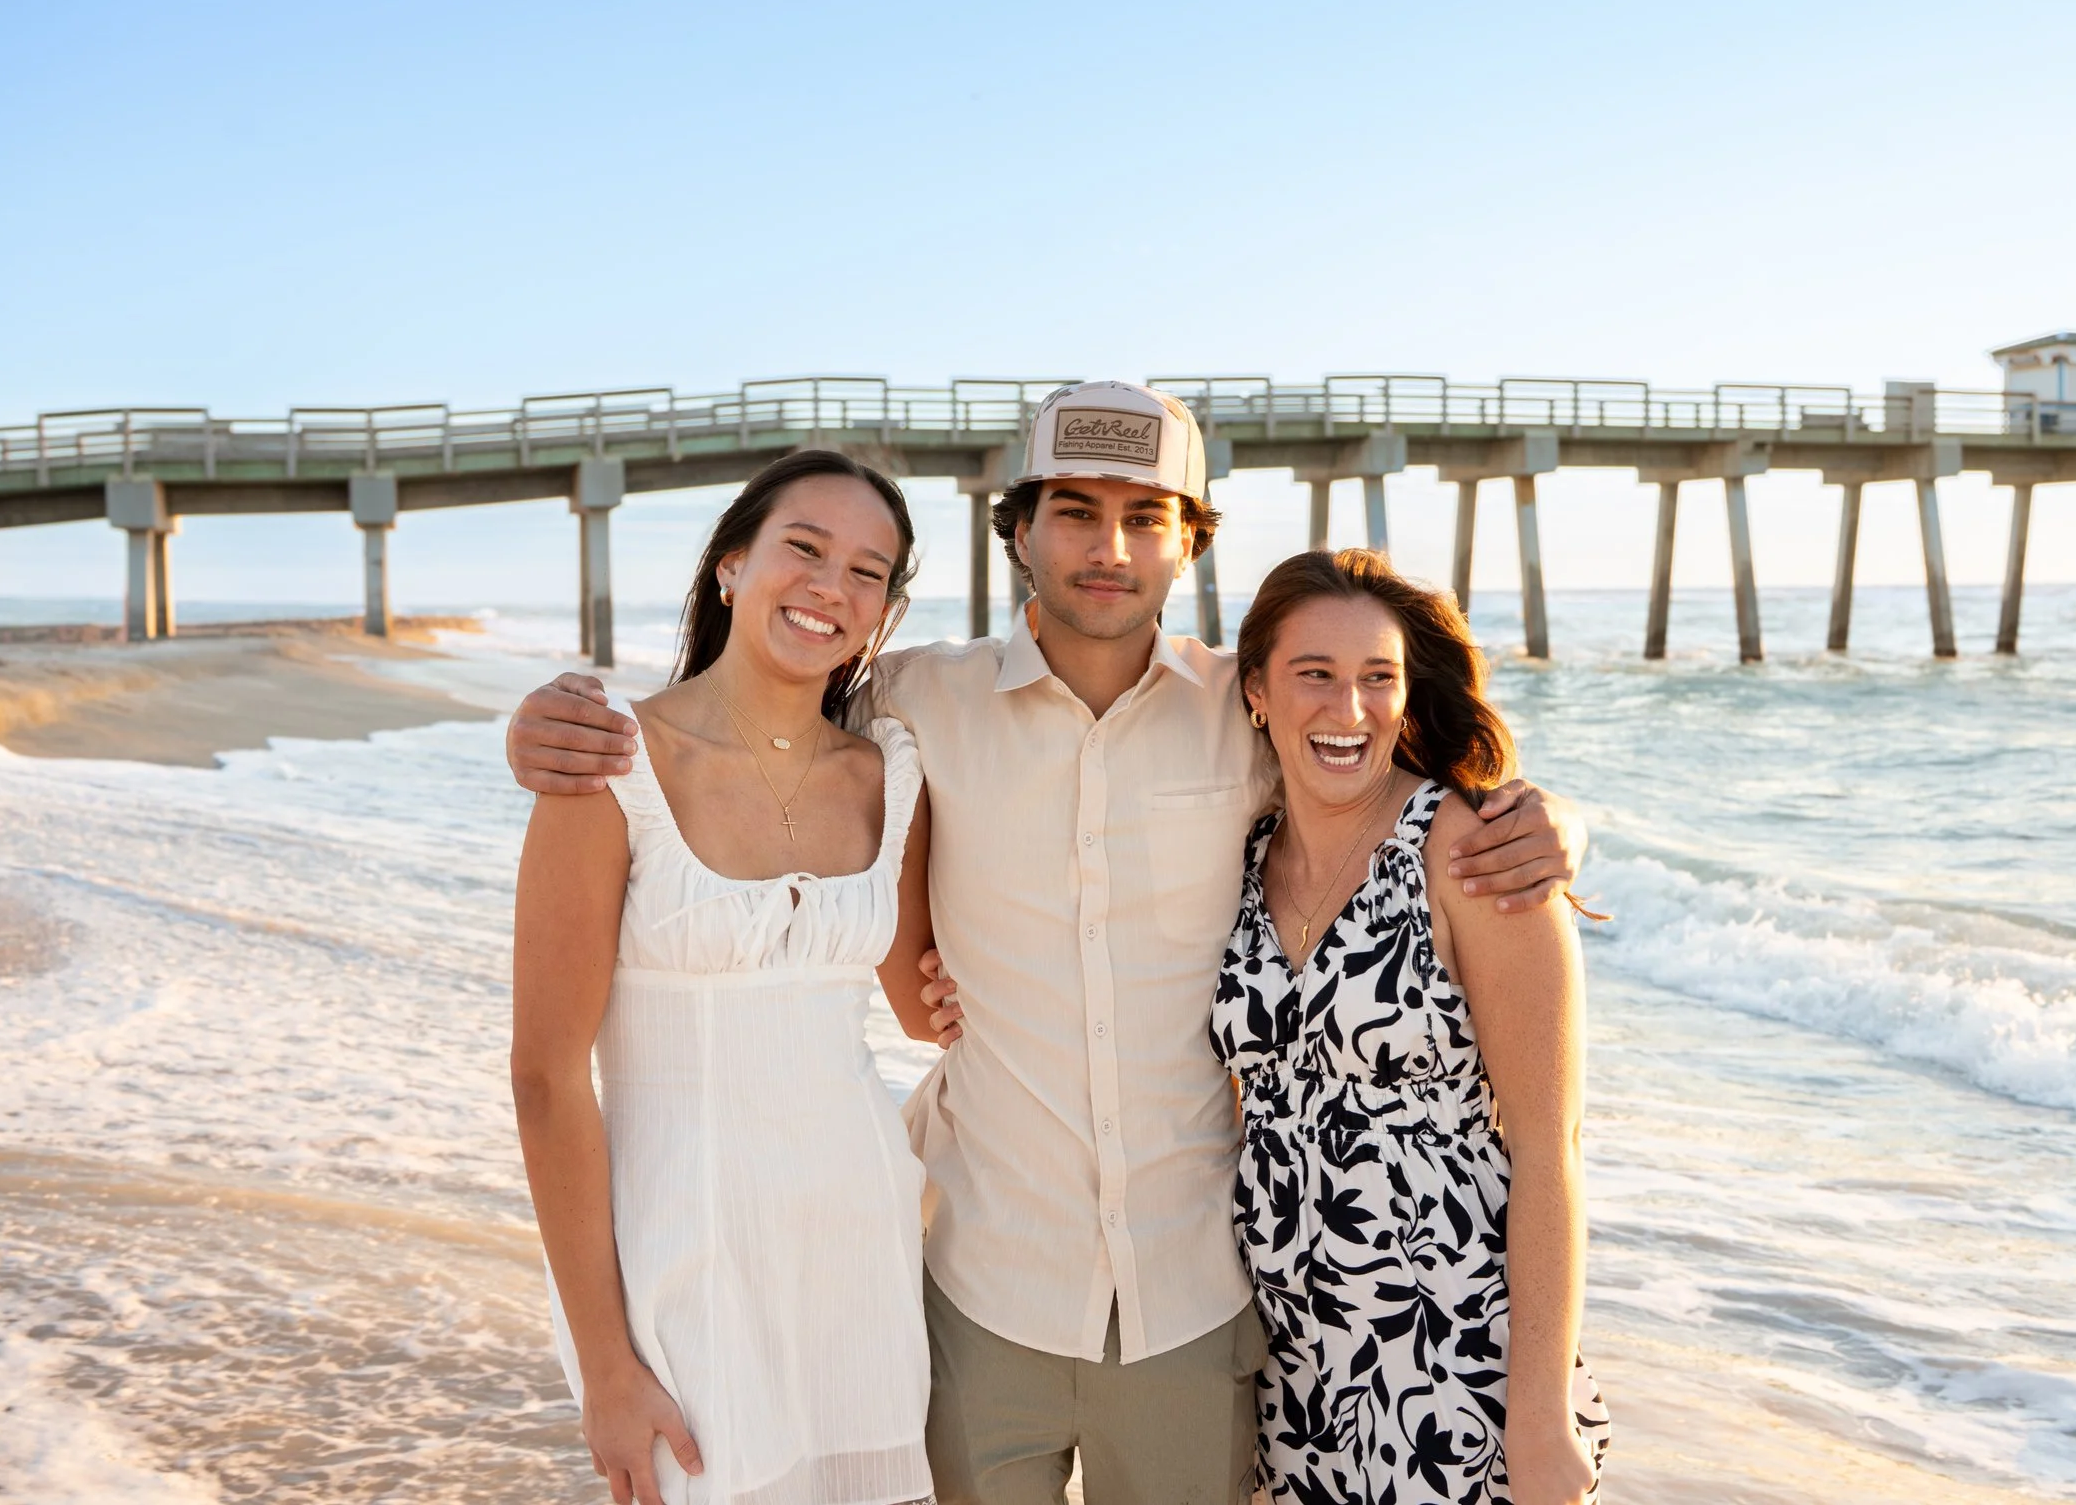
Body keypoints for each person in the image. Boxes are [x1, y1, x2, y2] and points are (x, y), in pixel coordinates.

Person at [507, 383, 1591, 1505]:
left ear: (1189, 545)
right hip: (978, 1294)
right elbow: (758, 732)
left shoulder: (1256, 707)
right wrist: (542, 728)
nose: (1109, 547)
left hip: (1193, 1303)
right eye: (1074, 510)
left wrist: (1553, 820)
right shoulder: (915, 703)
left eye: (1147, 517)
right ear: (1019, 530)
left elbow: (1398, 778)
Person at [510, 450, 940, 1505]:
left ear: (884, 608)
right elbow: (546, 1082)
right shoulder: (613, 766)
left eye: (869, 570)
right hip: (682, 1263)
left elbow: (926, 1011)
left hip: (861, 1256)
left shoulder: (890, 771)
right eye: (804, 548)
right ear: (731, 568)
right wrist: (606, 1365)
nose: (831, 586)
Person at [1213, 548, 1609, 1505]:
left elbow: (1548, 1151)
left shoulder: (1475, 854)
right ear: (1257, 691)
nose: (1347, 710)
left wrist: (1540, 1410)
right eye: (1314, 674)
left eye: (1376, 678)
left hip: (1452, 1361)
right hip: (1292, 1365)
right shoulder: (1243, 849)